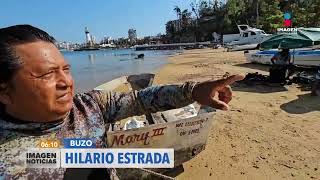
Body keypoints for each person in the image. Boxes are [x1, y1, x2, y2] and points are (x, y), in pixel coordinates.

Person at [0, 25, 244, 180]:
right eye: (46, 75)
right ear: (5, 92)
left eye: (66, 69)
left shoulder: (87, 107)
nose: (66, 82)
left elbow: (140, 99)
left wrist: (194, 91)